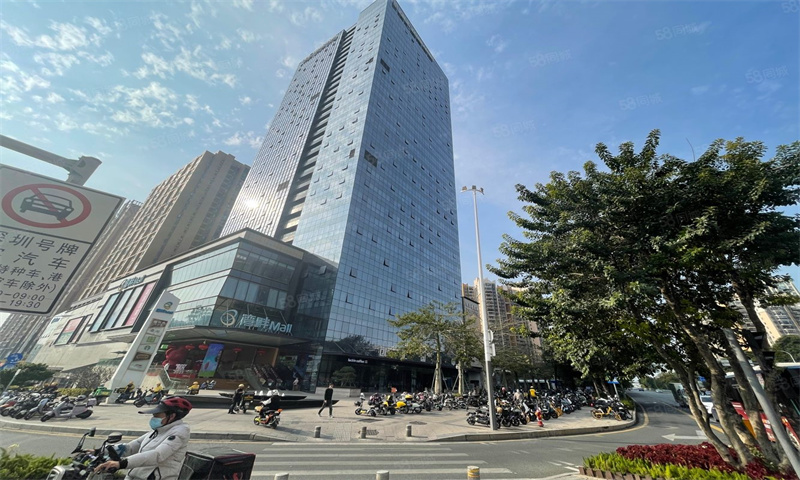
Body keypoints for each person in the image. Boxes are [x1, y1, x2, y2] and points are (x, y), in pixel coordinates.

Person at [94, 396, 192, 480]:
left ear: (172, 416)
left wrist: (121, 464)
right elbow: (131, 447)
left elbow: (157, 455)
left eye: (157, 415)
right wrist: (99, 451)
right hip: (136, 476)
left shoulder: (179, 432)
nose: (153, 418)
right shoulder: (157, 431)